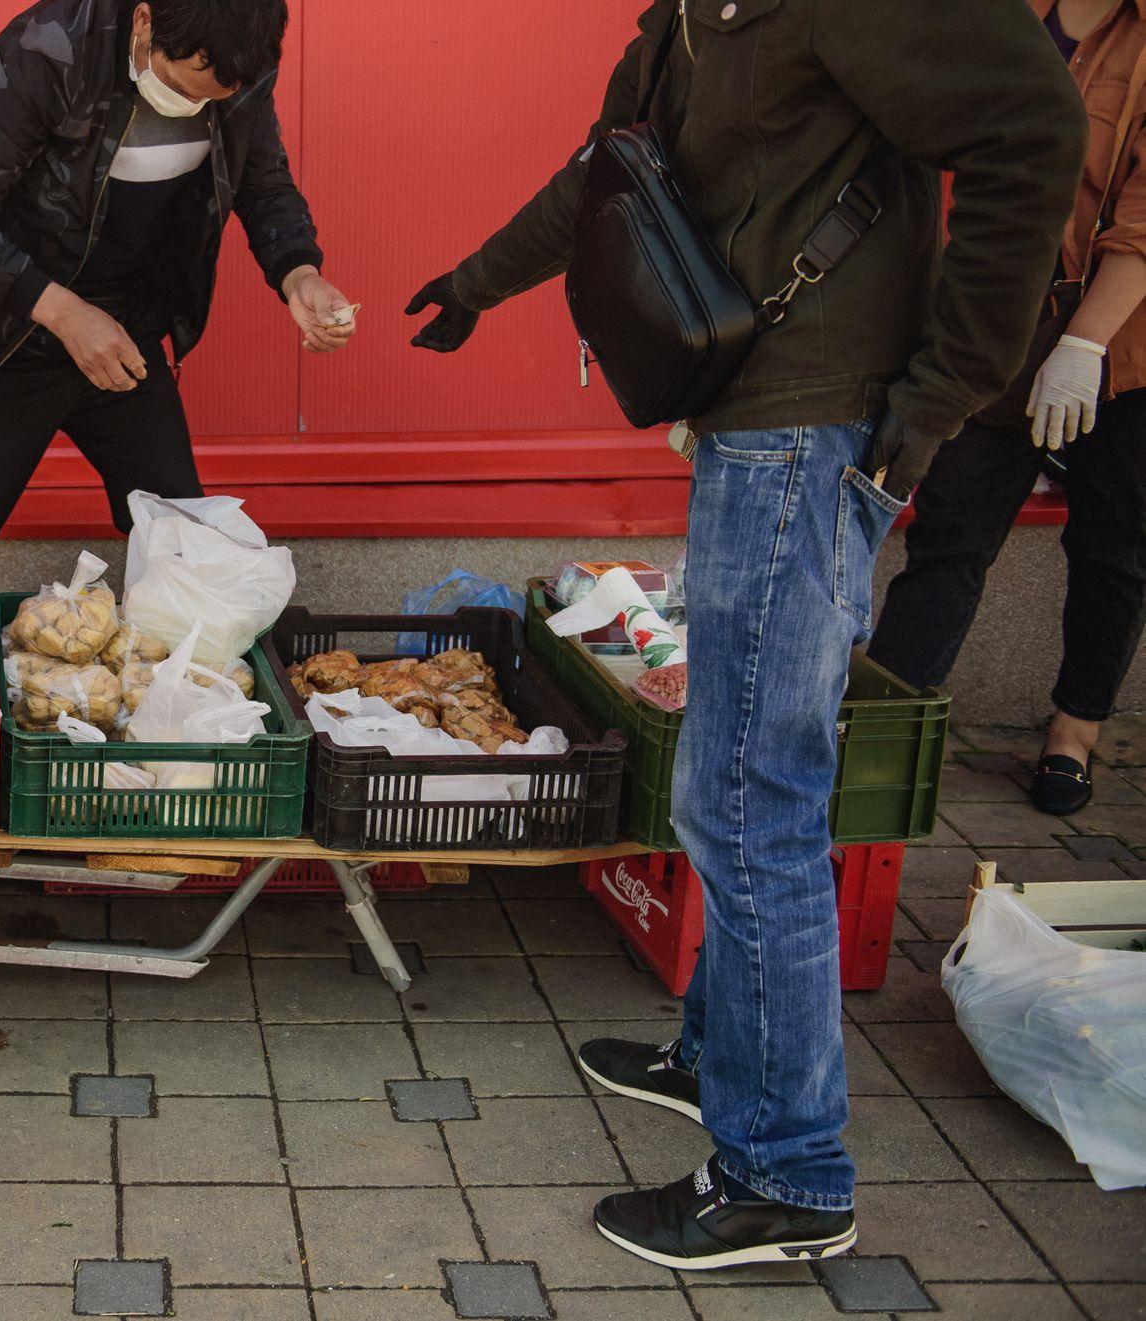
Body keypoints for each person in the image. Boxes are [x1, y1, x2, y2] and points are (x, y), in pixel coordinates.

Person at [408, 0, 1083, 1269]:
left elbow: (1031, 129)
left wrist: (944, 391)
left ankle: (787, 1173)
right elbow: (606, 169)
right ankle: (722, 1049)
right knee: (742, 778)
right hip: (752, 425)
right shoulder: (688, 20)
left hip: (815, 433)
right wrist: (477, 283)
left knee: (745, 795)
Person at [0, 0, 357, 578]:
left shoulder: (240, 51)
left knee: (185, 549)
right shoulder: (53, 48)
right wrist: (66, 314)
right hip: (7, 333)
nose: (195, 106)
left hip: (129, 326)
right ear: (145, 22)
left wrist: (299, 272)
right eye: (183, 85)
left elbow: (263, 182)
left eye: (213, 97)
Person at [871, 0, 1146, 817]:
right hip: (992, 329)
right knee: (951, 530)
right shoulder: (1009, 16)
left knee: (1114, 548)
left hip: (1123, 348)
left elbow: (1142, 224)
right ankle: (880, 731)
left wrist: (1086, 344)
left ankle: (1073, 734)